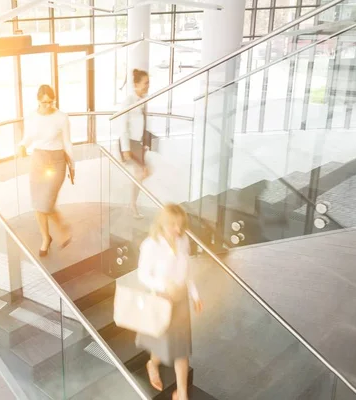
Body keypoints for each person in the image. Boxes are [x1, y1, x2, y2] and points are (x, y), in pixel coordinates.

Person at [136, 204, 203, 400]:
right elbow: (143, 275)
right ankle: (152, 364)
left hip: (180, 299)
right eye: (173, 225)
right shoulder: (151, 245)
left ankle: (181, 393)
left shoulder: (183, 240)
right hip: (160, 299)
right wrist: (164, 285)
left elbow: (187, 270)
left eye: (180, 225)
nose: (178, 229)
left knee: (181, 346)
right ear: (162, 223)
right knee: (161, 342)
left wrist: (195, 294)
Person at [17, 85, 73, 257]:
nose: (48, 106)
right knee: (38, 203)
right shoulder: (31, 117)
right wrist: (21, 146)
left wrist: (72, 164)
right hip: (38, 159)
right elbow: (28, 138)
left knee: (46, 202)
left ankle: (63, 227)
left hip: (57, 160)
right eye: (44, 103)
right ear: (38, 101)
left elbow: (67, 142)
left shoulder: (61, 118)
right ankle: (45, 238)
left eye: (51, 102)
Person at [118, 68, 151, 219]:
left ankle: (131, 203)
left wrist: (144, 142)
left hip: (138, 143)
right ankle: (131, 204)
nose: (147, 86)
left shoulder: (143, 99)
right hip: (130, 143)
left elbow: (143, 123)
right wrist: (125, 149)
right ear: (136, 84)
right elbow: (123, 126)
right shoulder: (128, 101)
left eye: (148, 82)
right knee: (141, 172)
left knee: (142, 173)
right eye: (145, 83)